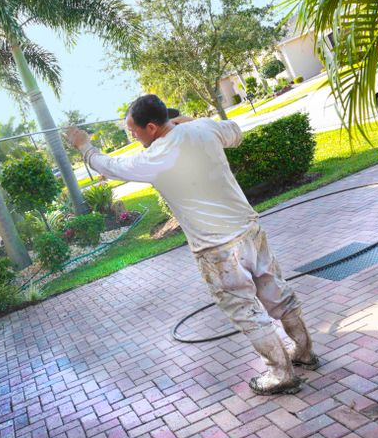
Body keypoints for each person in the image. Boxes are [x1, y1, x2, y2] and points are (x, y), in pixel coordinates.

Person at [63, 94, 319, 395]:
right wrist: (193, 123)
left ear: (152, 127)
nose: (132, 135)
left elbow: (110, 166)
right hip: (249, 231)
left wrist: (84, 146)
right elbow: (235, 132)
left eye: (134, 130)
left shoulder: (153, 158)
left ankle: (281, 374)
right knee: (277, 293)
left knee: (246, 310)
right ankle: (304, 352)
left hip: (216, 251)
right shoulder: (203, 129)